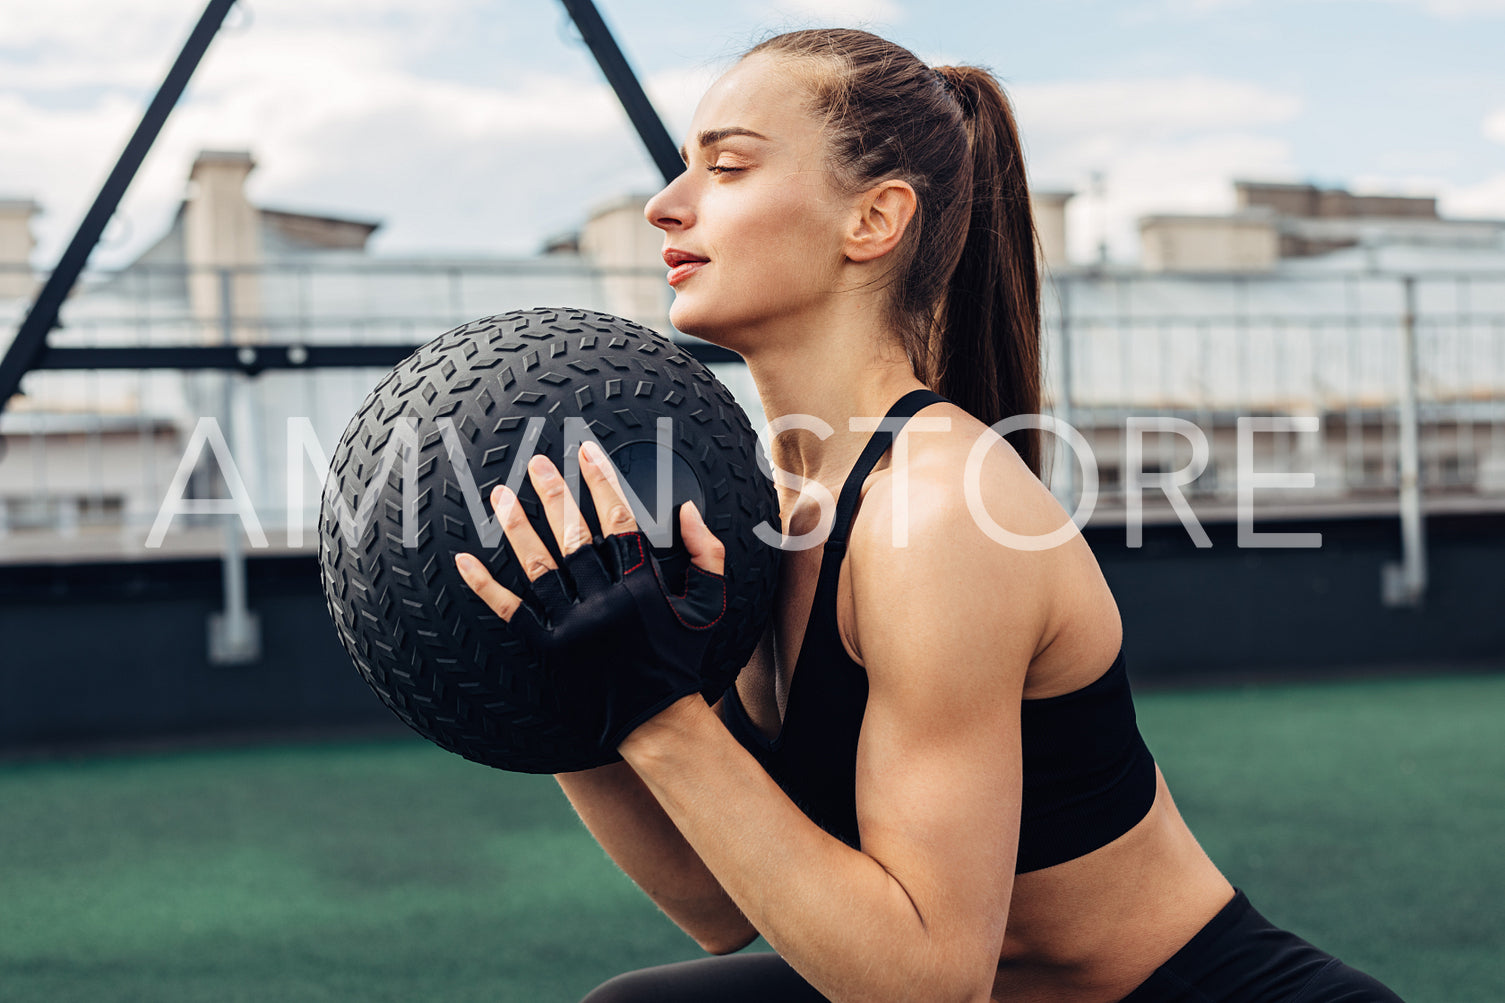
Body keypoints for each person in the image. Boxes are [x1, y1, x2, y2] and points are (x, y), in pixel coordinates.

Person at [453, 27, 1407, 1003]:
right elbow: (714, 903)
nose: (665, 204)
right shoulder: (759, 507)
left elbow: (926, 982)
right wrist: (564, 689)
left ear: (872, 219)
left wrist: (657, 713)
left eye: (726, 166)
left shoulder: (939, 510)